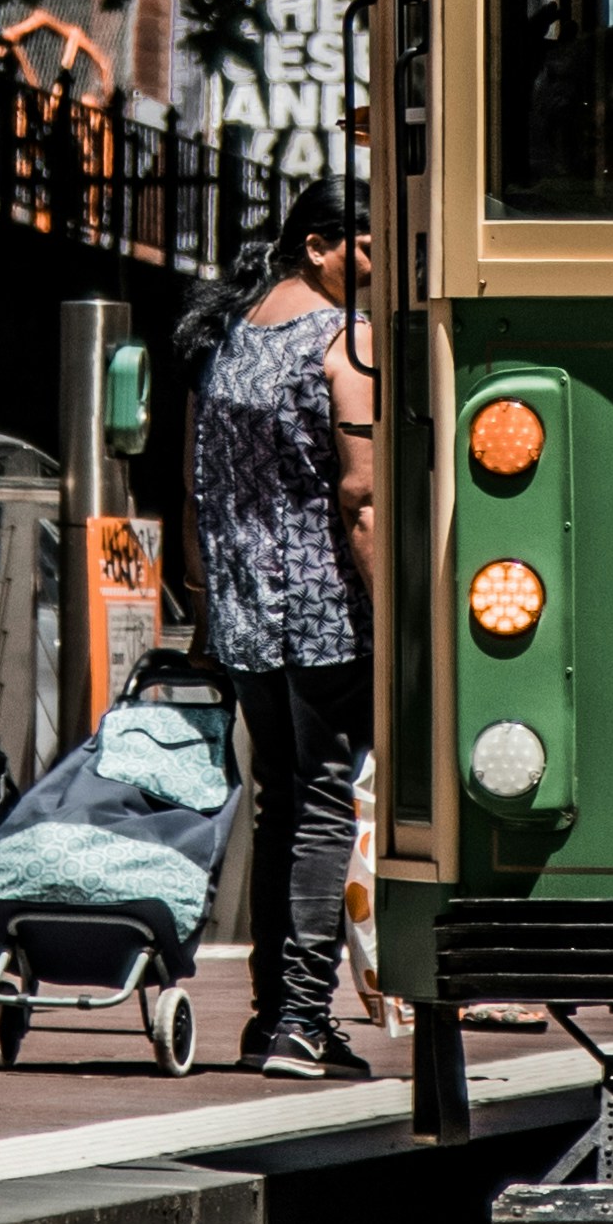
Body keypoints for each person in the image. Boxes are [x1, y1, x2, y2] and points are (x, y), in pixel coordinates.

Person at [177, 180, 382, 1078]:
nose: (377, 267)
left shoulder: (233, 334)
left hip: (244, 612)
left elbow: (197, 482)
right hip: (323, 607)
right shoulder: (344, 339)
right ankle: (302, 1016)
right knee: (326, 797)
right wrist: (392, 614)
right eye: (366, 247)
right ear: (318, 244)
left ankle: (271, 1017)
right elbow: (361, 493)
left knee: (279, 802)